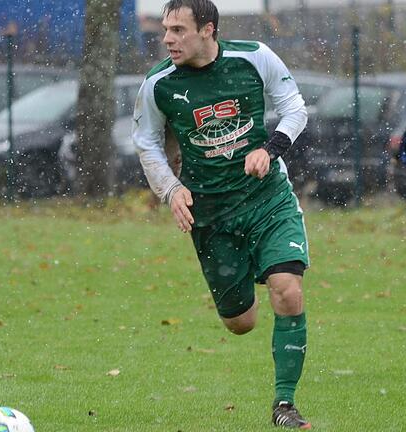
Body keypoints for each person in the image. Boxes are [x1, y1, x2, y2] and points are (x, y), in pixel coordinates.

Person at [132, 0, 311, 428]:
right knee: (241, 322)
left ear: (208, 30)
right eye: (166, 30)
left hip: (267, 200)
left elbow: (295, 109)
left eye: (178, 30)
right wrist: (171, 190)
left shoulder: (254, 57)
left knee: (287, 290)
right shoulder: (159, 84)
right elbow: (146, 142)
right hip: (209, 214)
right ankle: (251, 265)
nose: (168, 39)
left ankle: (284, 405)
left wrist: (270, 151)